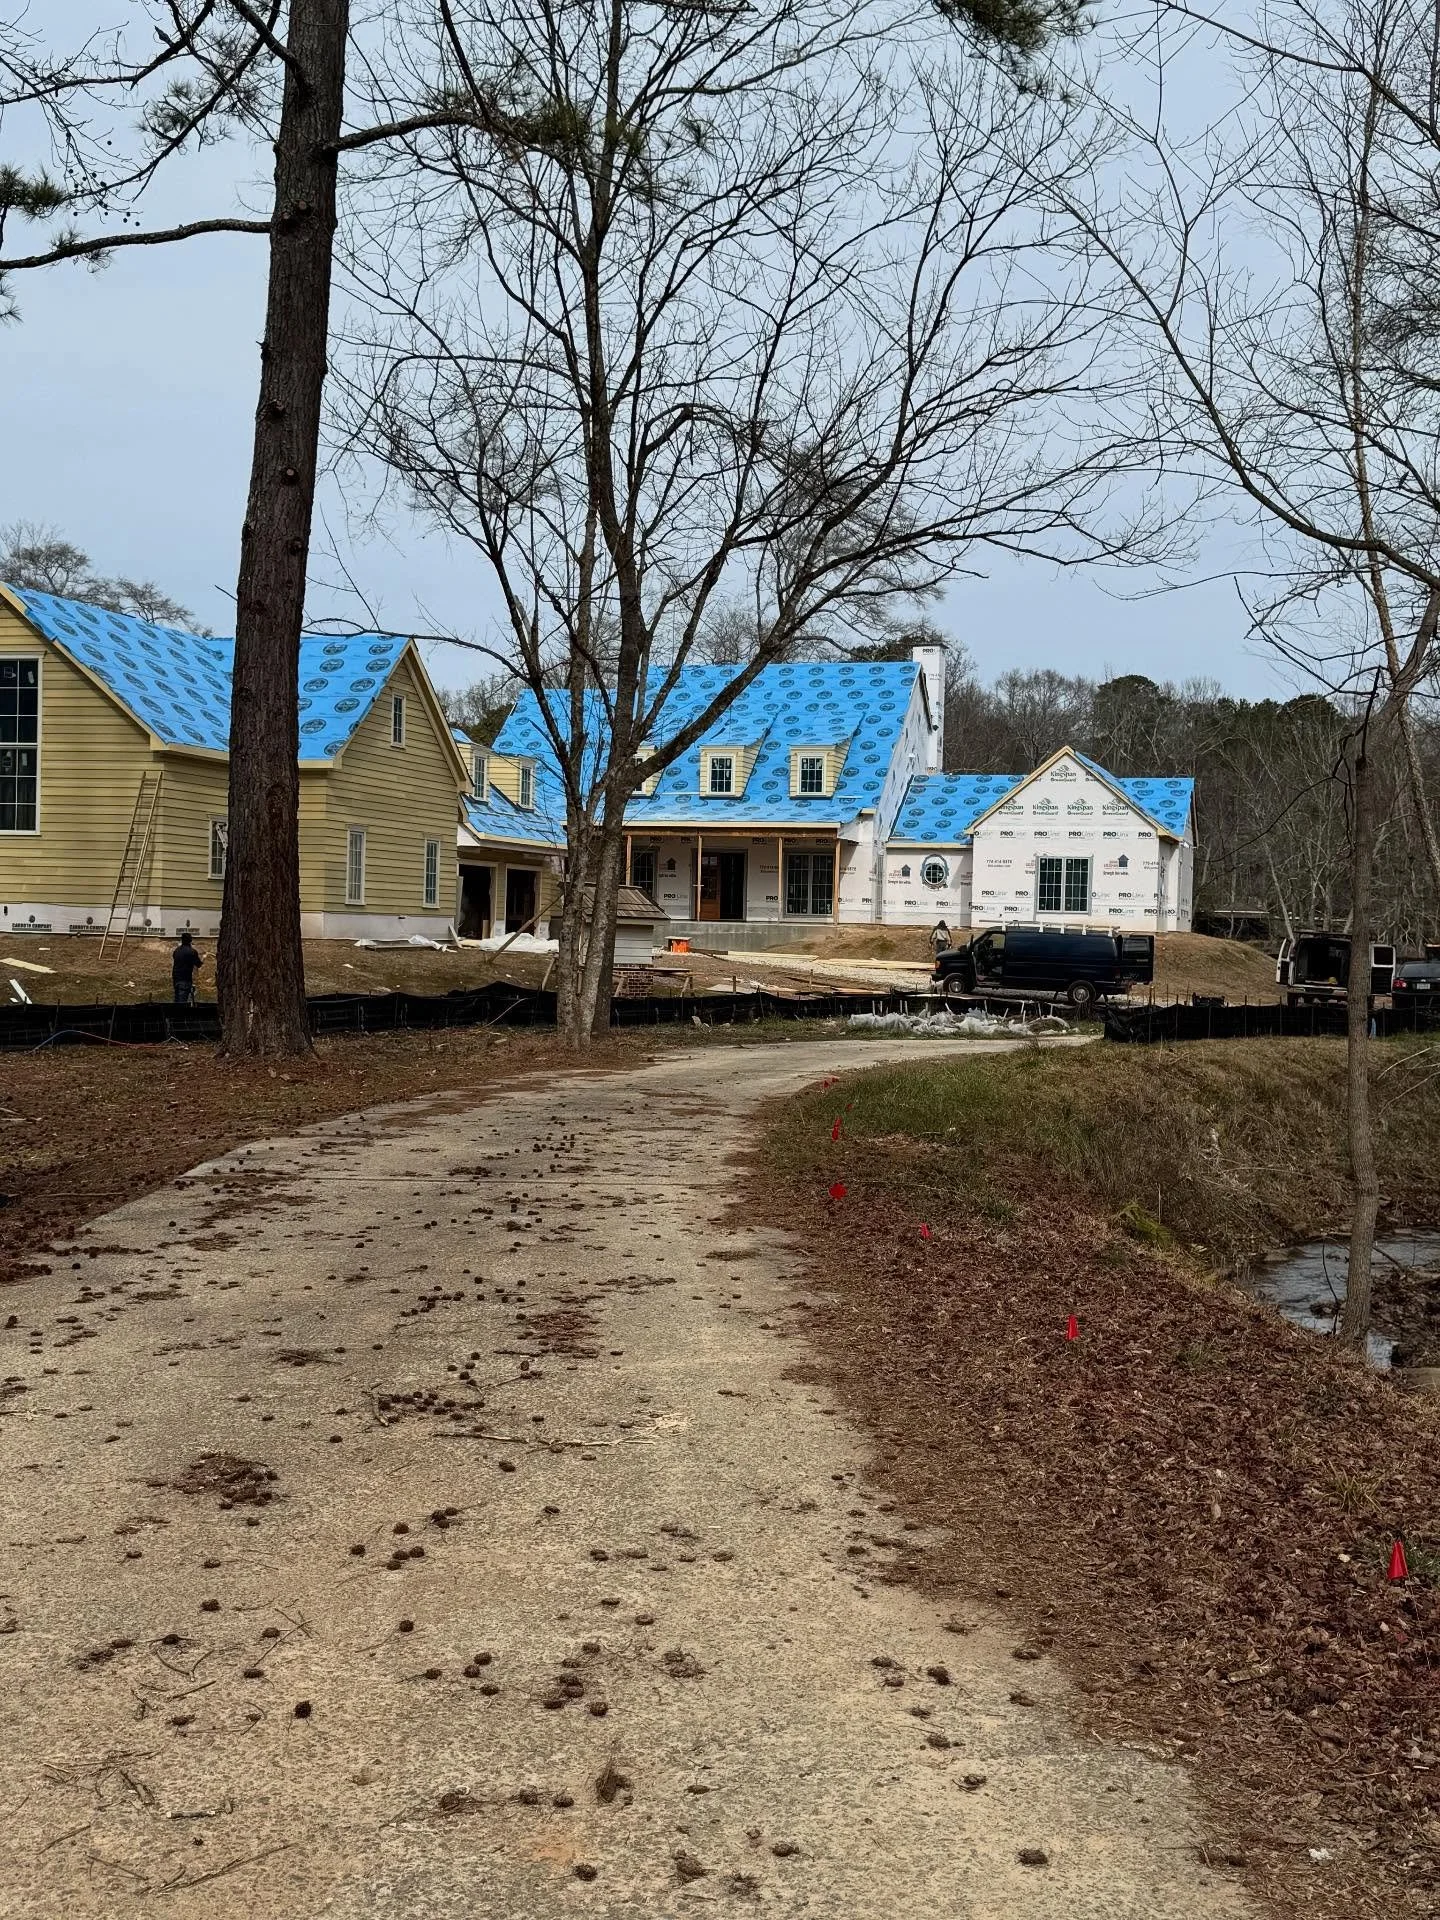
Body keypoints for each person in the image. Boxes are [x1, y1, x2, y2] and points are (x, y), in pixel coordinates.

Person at [172, 930, 203, 1005]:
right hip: (185, 980)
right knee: (182, 1004)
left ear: (182, 940)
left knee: (177, 1002)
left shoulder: (176, 950)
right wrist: (203, 959)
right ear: (190, 940)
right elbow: (198, 964)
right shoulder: (192, 951)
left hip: (176, 979)